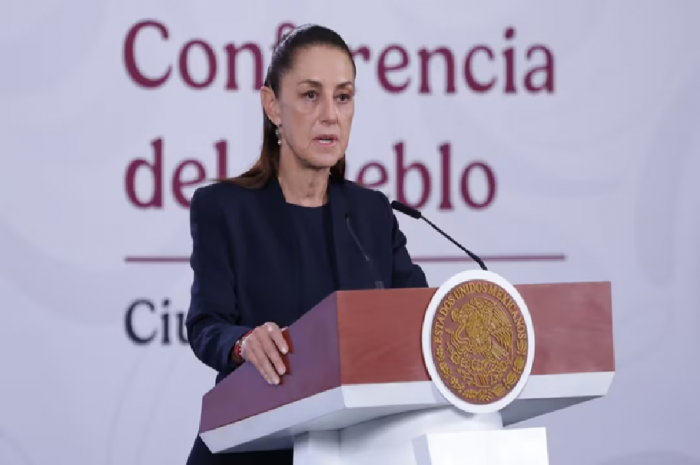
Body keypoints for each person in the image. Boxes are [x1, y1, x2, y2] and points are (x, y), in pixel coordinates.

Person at [184, 23, 428, 465]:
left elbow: (420, 320)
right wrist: (244, 343)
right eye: (311, 95)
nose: (330, 114)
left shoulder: (372, 214)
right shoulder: (223, 208)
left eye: (343, 96)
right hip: (252, 449)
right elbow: (206, 325)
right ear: (272, 105)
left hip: (356, 450)